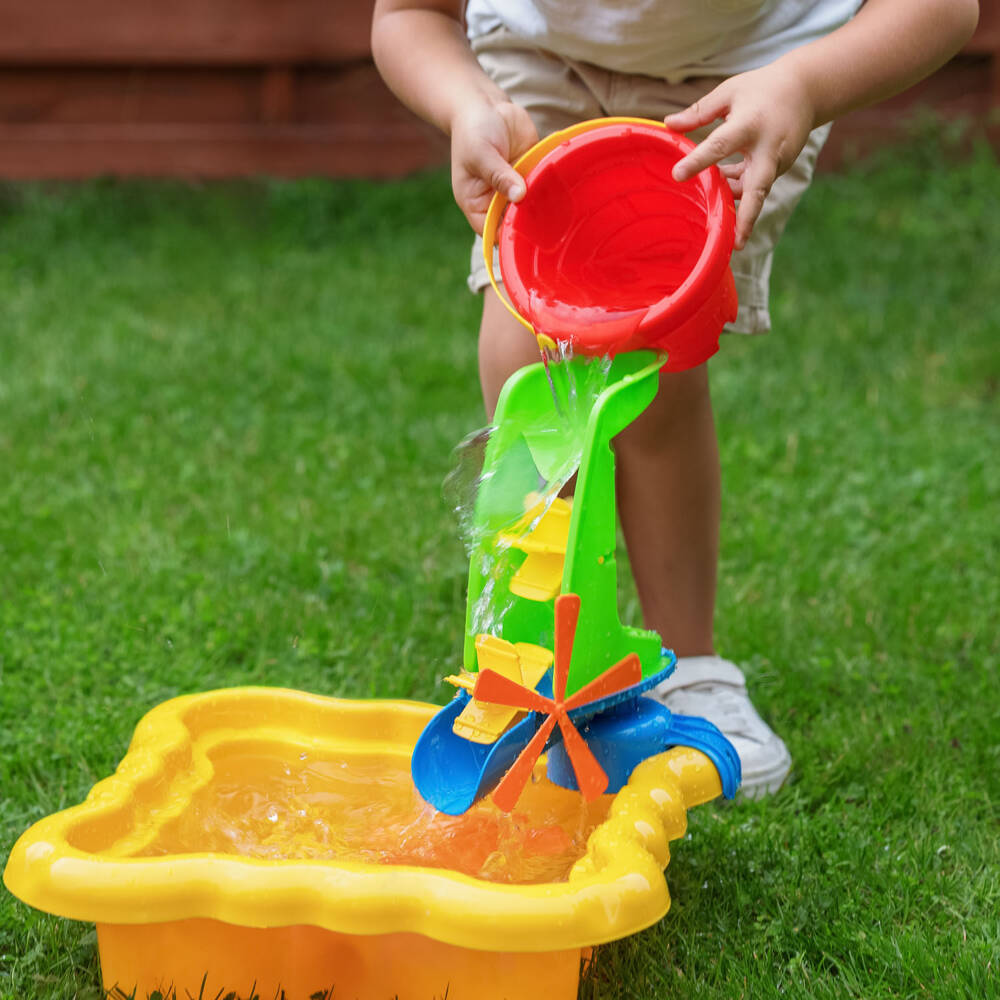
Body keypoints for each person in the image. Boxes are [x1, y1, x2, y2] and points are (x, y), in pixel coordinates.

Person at [371, 0, 980, 797]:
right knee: (528, 349)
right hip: (535, 66)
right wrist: (464, 102)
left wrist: (802, 84)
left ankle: (692, 667)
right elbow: (411, 13)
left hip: (744, 77)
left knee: (651, 356)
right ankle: (543, 664)